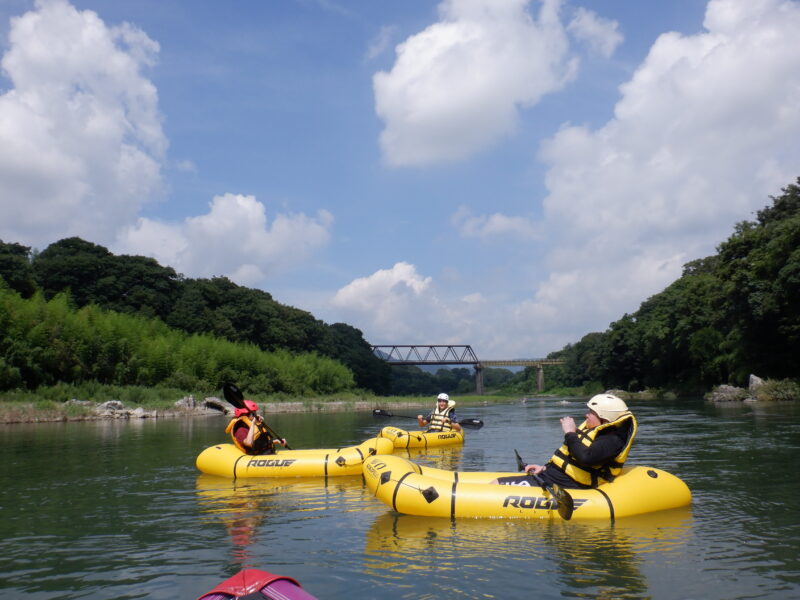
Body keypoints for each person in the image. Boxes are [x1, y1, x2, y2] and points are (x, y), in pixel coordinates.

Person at [494, 393, 637, 489]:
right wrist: (544, 468)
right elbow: (571, 459)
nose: (586, 415)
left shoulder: (611, 441)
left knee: (495, 485)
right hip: (553, 477)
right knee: (495, 483)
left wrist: (570, 433)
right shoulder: (598, 433)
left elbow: (586, 458)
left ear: (604, 418)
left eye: (591, 413)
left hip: (564, 484)